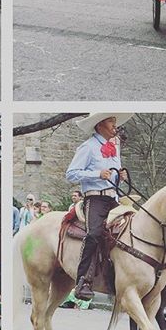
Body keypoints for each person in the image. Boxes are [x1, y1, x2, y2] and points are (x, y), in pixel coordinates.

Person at [66, 112, 132, 300]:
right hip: (95, 199)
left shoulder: (114, 148)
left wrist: (120, 176)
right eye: (111, 121)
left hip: (114, 199)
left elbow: (113, 176)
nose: (115, 125)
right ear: (100, 125)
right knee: (94, 233)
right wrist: (96, 174)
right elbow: (71, 174)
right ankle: (83, 280)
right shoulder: (87, 147)